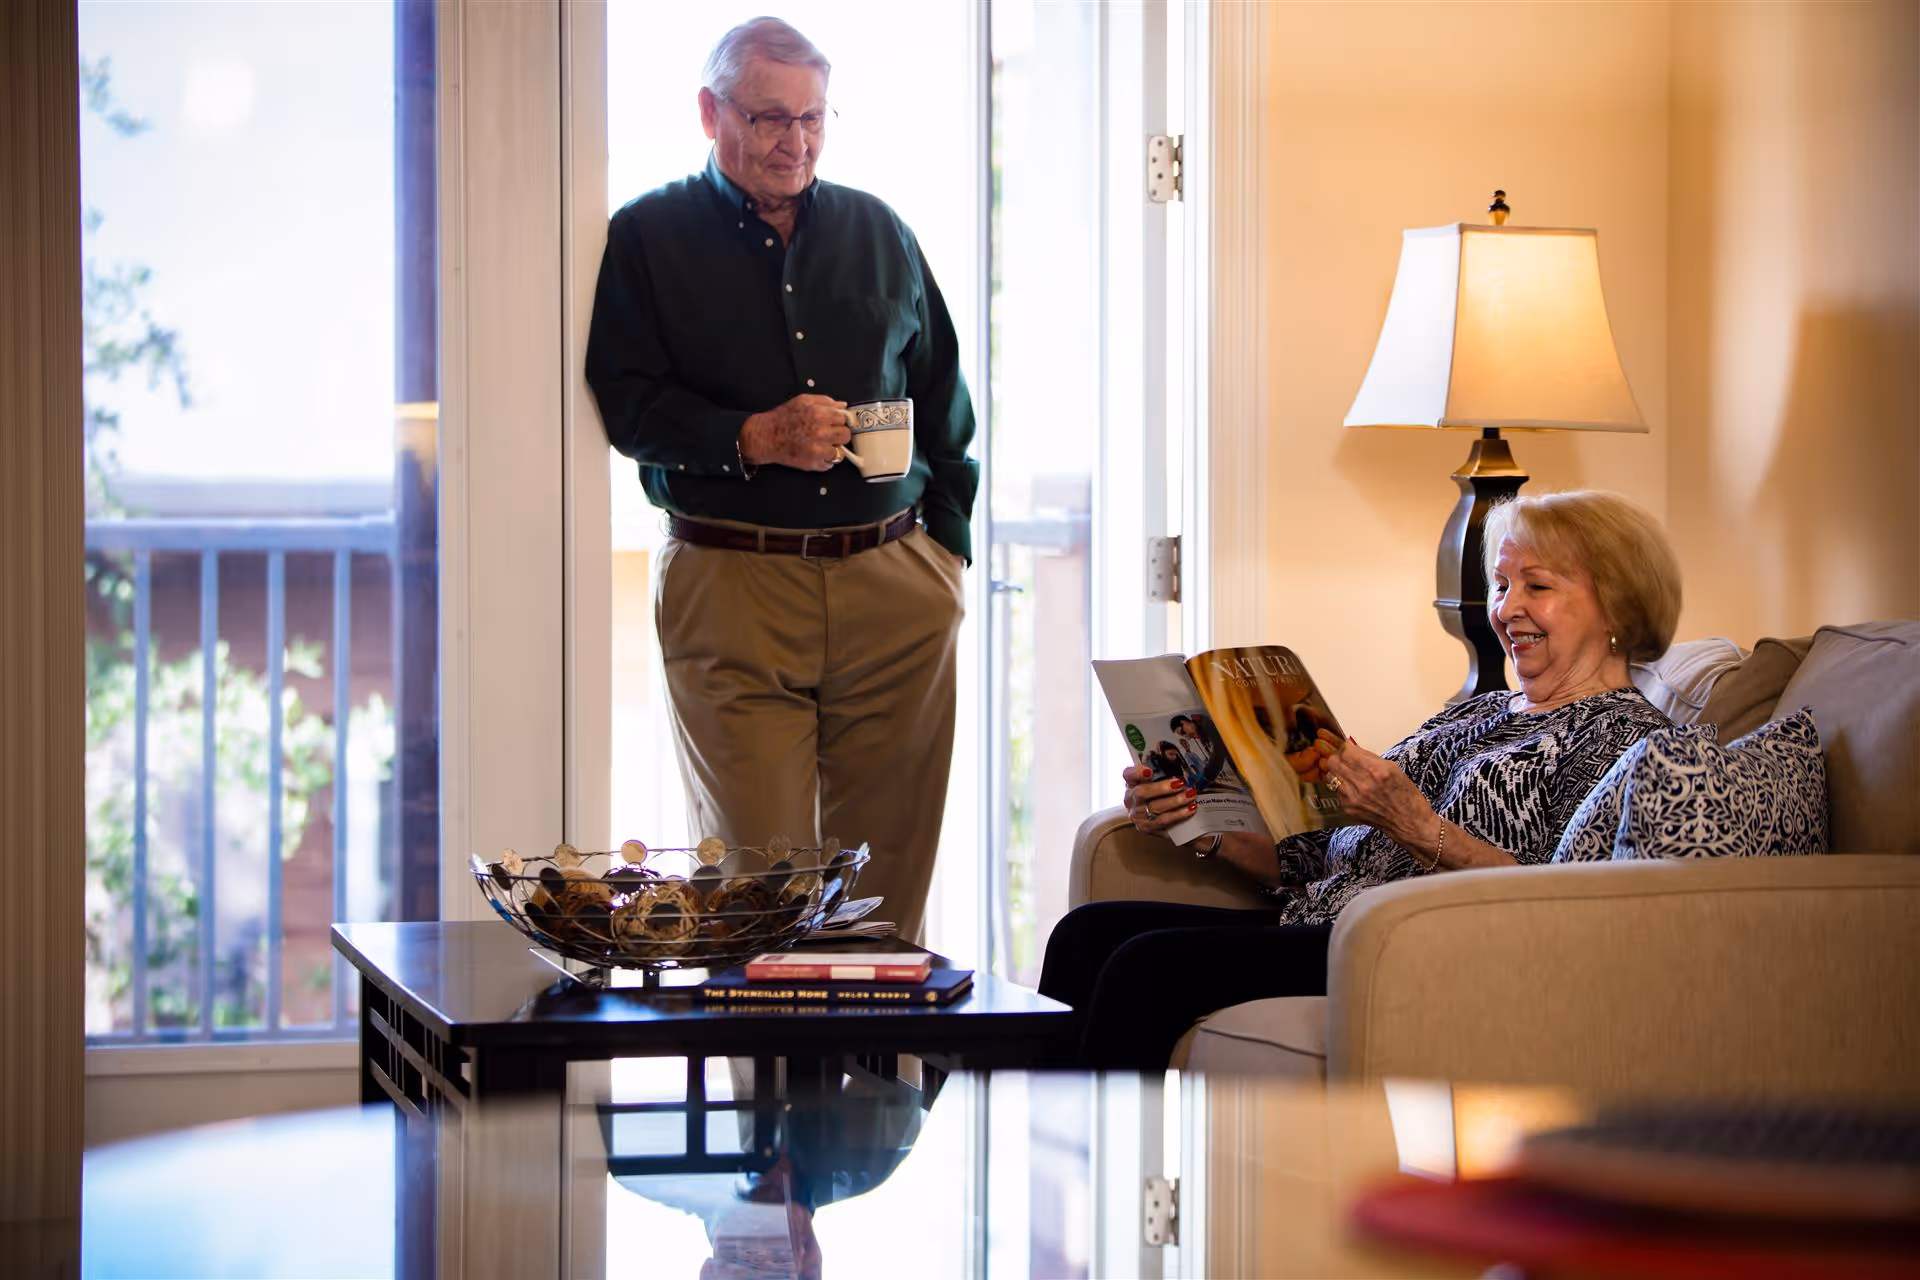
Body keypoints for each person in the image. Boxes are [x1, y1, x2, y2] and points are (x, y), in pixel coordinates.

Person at [1038, 490, 1683, 1069]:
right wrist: (1201, 822)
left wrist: (1416, 825)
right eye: (1500, 585)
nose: (1507, 608)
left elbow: (1565, 906)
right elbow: (1315, 857)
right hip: (1324, 919)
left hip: (1411, 947)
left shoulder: (1627, 739)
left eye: (1535, 587)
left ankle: (1119, 1172)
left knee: (1142, 969)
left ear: (1615, 607)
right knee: (1086, 934)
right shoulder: (1480, 709)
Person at [585, 18, 978, 942]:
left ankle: (881, 1089)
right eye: (768, 118)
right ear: (710, 113)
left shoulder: (881, 231)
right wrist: (751, 436)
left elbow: (944, 396)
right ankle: (769, 1092)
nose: (793, 142)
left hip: (895, 589)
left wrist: (945, 552)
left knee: (885, 897)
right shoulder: (648, 236)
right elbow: (628, 402)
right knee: (755, 894)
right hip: (734, 588)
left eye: (812, 118)